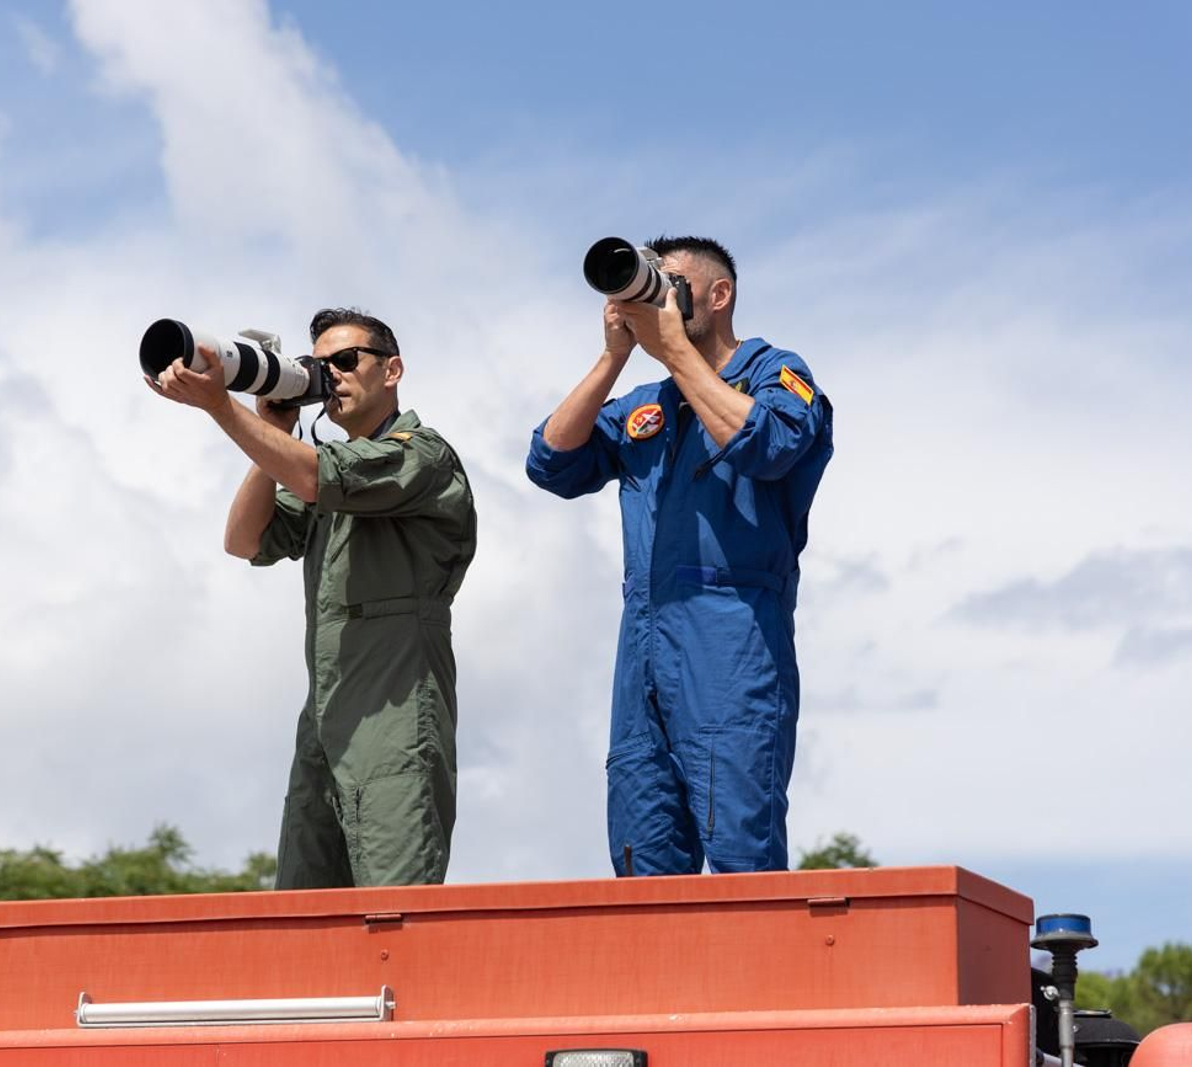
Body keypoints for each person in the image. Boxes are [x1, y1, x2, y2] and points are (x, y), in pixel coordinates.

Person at [526, 236, 832, 876]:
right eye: (650, 282)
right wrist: (614, 358)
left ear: (719, 296)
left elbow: (767, 446)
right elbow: (550, 462)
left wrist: (675, 354)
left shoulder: (776, 374)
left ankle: (754, 977)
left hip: (733, 642)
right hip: (642, 648)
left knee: (740, 852)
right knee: (643, 854)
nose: (658, 296)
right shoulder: (647, 406)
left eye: (673, 284)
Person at [148, 307, 476, 888]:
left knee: (395, 911)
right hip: (327, 717)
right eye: (319, 367)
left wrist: (221, 406)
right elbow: (243, 540)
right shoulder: (321, 467)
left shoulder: (421, 454)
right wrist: (272, 429)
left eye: (347, 362)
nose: (332, 377)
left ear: (392, 369)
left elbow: (314, 477)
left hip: (396, 711)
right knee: (303, 914)